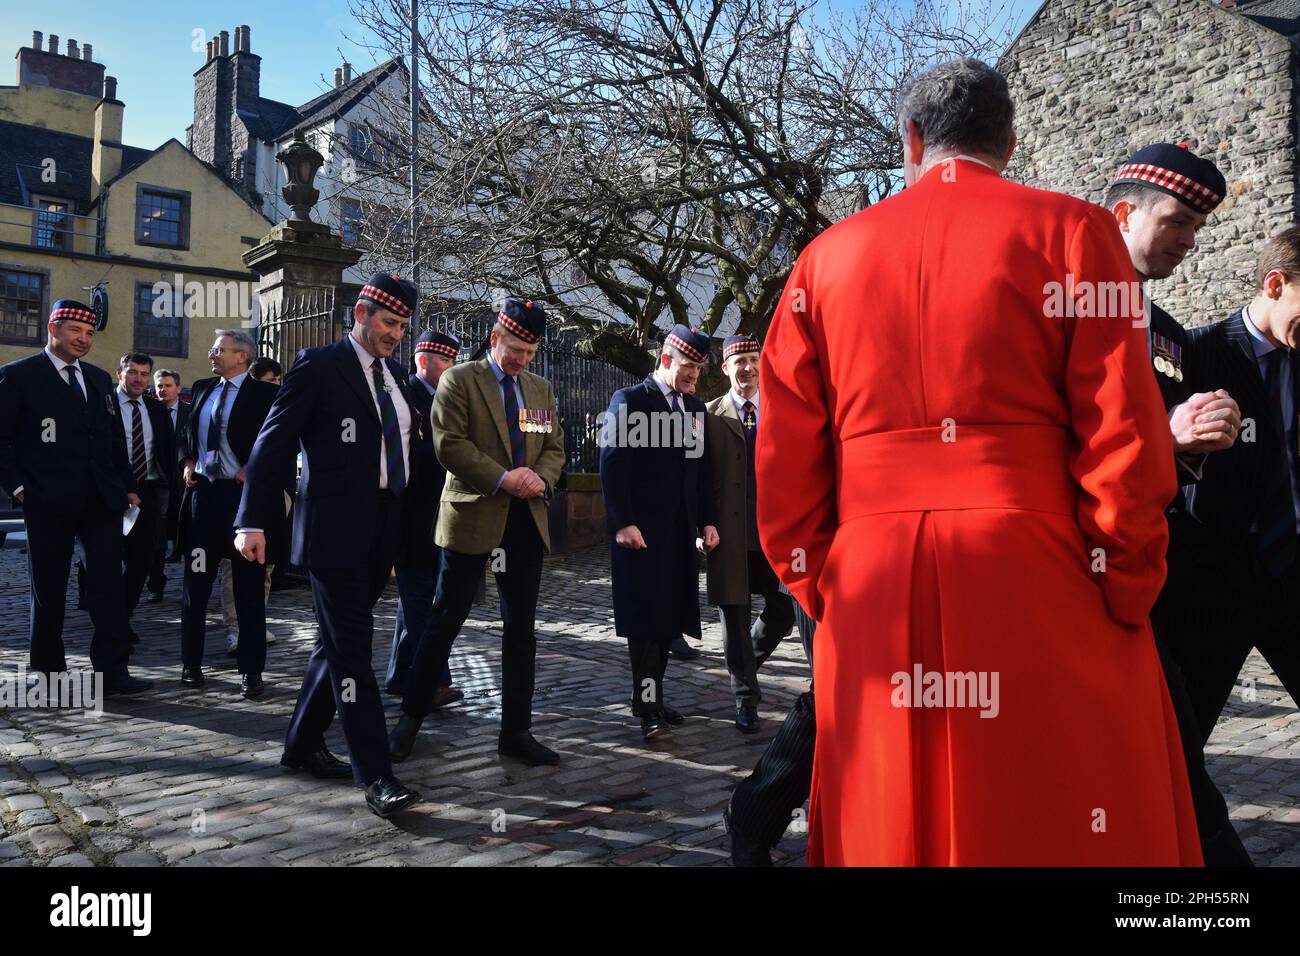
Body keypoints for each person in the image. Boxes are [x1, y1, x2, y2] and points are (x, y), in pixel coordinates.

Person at [757, 58, 1200, 865]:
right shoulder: (1072, 230)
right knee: (1050, 809)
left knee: (889, 820)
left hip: (871, 578)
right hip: (1040, 564)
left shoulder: (821, 260)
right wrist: (1126, 573)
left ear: (912, 140)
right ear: (1012, 141)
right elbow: (1123, 431)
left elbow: (785, 460)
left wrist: (822, 581)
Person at [1104, 144, 1253, 867]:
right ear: (1123, 212)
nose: (1190, 242)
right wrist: (1165, 432)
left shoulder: (1164, 327)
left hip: (1152, 563)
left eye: (1198, 227)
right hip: (1079, 569)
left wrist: (1199, 434)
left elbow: (1165, 448)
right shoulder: (1053, 302)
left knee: (1165, 745)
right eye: (1179, 221)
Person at [235, 273, 424, 818]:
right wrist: (251, 521)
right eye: (389, 322)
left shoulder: (397, 379)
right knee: (352, 652)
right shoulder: (318, 366)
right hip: (333, 534)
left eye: (403, 326)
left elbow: (407, 459)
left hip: (383, 530)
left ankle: (300, 744)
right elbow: (270, 447)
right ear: (361, 312)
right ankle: (377, 775)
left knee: (335, 643)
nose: (395, 335)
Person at [387, 298, 565, 767]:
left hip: (525, 521)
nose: (522, 360)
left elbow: (551, 446)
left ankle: (516, 731)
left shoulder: (539, 390)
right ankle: (409, 720)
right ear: (494, 338)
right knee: (445, 618)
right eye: (515, 350)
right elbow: (451, 445)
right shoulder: (459, 380)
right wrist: (505, 478)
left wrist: (539, 478)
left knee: (521, 629)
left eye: (530, 352)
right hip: (473, 516)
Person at [1176, 227, 1300, 744]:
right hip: (1215, 579)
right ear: (1275, 284)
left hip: (1293, 570)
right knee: (1184, 736)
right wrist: (1181, 440)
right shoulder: (1196, 353)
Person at [0, 299, 151, 696]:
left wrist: (127, 486)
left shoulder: (100, 379)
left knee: (108, 586)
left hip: (101, 499)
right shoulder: (18, 376)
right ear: (53, 329)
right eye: (75, 331)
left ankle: (112, 671)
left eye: (88, 333)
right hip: (47, 500)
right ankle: (49, 673)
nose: (83, 339)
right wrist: (18, 488)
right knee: (48, 588)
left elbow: (112, 439)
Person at [599, 324, 719, 741]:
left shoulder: (695, 411)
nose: (694, 376)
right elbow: (612, 464)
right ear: (665, 359)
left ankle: (652, 696)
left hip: (679, 532)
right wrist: (622, 522)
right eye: (688, 367)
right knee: (646, 619)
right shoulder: (630, 401)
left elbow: (698, 474)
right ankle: (646, 704)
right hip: (640, 532)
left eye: (700, 370)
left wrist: (707, 520)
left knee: (668, 618)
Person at [178, 330, 279, 698]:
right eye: (212, 348)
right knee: (196, 586)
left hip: (242, 503)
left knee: (248, 591)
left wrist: (255, 468)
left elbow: (278, 443)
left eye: (219, 350)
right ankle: (190, 664)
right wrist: (187, 460)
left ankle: (251, 671)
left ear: (243, 357)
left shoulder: (266, 394)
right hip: (204, 498)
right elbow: (187, 433)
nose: (212, 354)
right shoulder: (203, 388)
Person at [703, 333, 795, 734]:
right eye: (739, 362)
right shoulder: (707, 416)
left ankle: (744, 667)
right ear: (725, 368)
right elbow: (697, 480)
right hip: (729, 537)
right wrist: (700, 525)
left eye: (754, 360)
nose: (748, 368)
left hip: (774, 536)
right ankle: (745, 699)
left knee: (784, 610)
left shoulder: (782, 411)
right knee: (734, 615)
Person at [385, 328, 459, 707]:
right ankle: (432, 681)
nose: (450, 367)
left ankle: (400, 675)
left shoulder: (448, 398)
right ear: (421, 359)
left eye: (453, 360)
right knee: (420, 598)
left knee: (417, 597)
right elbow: (412, 453)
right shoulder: (406, 394)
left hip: (440, 511)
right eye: (444, 360)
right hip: (411, 511)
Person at [219, 356, 284, 658]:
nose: (274, 387)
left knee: (265, 563)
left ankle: (256, 620)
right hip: (237, 492)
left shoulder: (280, 406)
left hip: (274, 492)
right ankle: (235, 627)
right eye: (269, 381)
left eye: (277, 381)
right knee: (235, 565)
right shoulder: (234, 406)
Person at [110, 352, 177, 640]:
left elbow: (166, 451)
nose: (138, 378)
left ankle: (121, 618)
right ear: (119, 373)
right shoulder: (104, 405)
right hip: (109, 492)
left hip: (146, 492)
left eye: (144, 373)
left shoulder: (155, 409)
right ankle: (108, 619)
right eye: (132, 372)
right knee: (105, 560)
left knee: (142, 560)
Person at [145, 368, 188, 602]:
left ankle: (194, 583)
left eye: (168, 385)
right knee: (157, 539)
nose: (162, 390)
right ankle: (156, 586)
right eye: (159, 385)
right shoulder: (148, 412)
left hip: (184, 483)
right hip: (156, 484)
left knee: (188, 535)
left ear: (178, 389)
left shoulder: (190, 413)